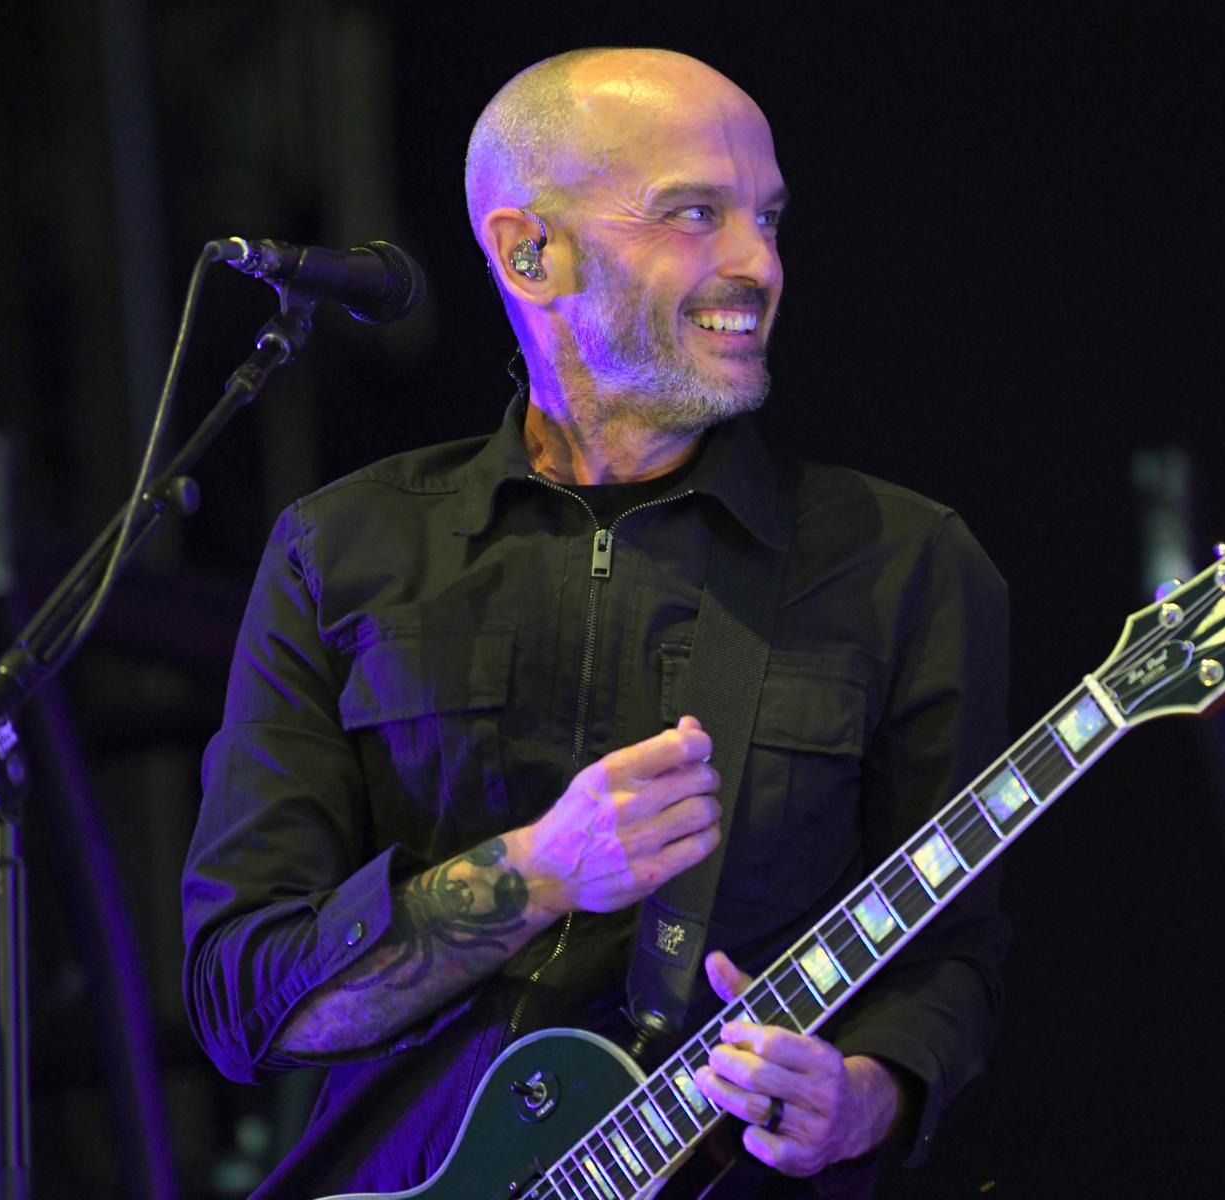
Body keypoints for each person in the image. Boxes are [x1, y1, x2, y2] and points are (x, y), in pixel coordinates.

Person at [182, 47, 1010, 1199]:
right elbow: (246, 1003)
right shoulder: (343, 549)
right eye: (694, 213)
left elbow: (951, 958)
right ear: (531, 251)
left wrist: (863, 1097)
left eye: (768, 219)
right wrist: (540, 871)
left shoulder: (902, 560)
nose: (757, 264)